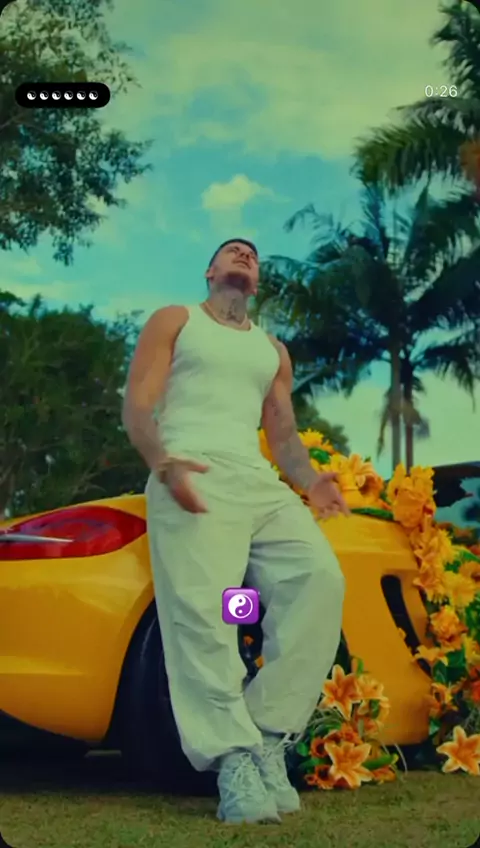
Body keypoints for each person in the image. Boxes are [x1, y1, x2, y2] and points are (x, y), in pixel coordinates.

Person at [122, 238, 348, 824]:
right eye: (231, 250)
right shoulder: (177, 320)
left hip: (259, 482)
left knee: (319, 581)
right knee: (206, 614)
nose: (244, 254)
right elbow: (138, 404)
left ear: (257, 280)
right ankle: (233, 762)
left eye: (251, 253)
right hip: (190, 471)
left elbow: (284, 435)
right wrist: (162, 461)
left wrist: (312, 481)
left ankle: (267, 736)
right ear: (210, 271)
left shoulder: (272, 351)